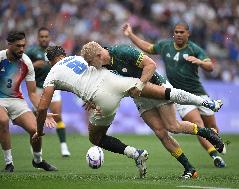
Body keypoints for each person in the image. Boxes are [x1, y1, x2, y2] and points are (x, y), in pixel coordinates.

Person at [33, 46, 225, 178]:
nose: (91, 65)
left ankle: (206, 110)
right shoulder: (82, 59)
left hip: (147, 82)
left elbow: (150, 65)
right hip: (129, 89)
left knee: (172, 125)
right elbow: (86, 78)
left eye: (92, 61)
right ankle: (190, 168)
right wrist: (91, 98)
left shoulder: (118, 51)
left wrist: (39, 129)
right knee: (161, 132)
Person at [122, 22, 226, 168]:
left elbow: (210, 67)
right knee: (197, 124)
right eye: (176, 32)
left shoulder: (194, 49)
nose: (178, 34)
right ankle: (215, 155)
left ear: (188, 34)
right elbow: (148, 47)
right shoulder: (165, 46)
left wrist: (200, 62)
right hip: (178, 95)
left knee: (213, 126)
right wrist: (131, 35)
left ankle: (214, 139)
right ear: (173, 33)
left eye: (181, 32)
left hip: (199, 92)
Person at [0, 31, 57, 172]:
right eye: (18, 46)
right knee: (2, 121)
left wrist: (41, 109)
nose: (21, 49)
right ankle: (9, 163)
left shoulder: (26, 62)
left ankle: (38, 160)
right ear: (10, 45)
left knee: (35, 130)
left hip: (16, 100)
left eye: (23, 46)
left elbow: (32, 93)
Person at [26, 27, 71, 157]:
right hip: (38, 89)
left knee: (58, 116)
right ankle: (36, 149)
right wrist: (34, 65)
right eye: (42, 36)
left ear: (49, 37)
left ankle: (64, 147)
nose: (44, 39)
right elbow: (21, 67)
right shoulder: (31, 51)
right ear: (38, 38)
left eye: (46, 36)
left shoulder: (54, 51)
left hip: (53, 87)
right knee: (37, 120)